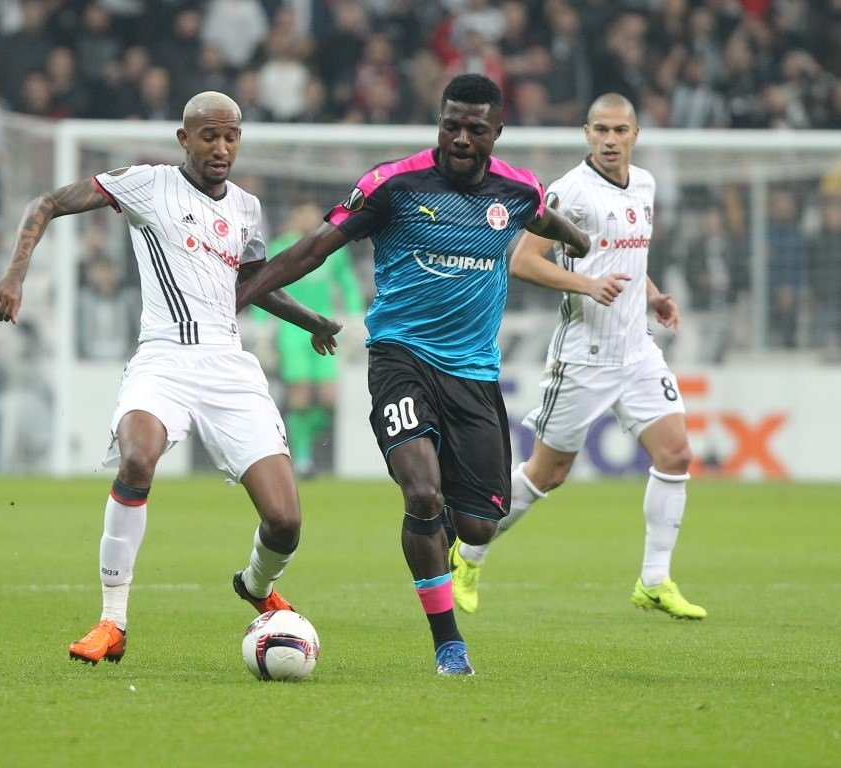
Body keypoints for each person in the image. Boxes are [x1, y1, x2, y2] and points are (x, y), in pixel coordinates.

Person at [235, 74, 590, 675]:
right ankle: (448, 643)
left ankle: (439, 532)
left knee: (480, 522)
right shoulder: (392, 184)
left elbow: (545, 219)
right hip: (401, 359)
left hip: (474, 374)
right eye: (450, 124)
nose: (460, 137)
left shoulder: (518, 191)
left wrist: (578, 238)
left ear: (495, 133)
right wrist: (241, 294)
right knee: (422, 492)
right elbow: (313, 247)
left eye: (474, 129)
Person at [0, 91, 342, 665]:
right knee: (137, 457)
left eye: (230, 137)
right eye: (208, 136)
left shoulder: (248, 208)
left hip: (228, 365)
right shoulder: (147, 184)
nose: (221, 147)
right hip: (163, 359)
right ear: (185, 139)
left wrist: (310, 319)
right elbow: (46, 201)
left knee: (285, 520)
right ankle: (112, 621)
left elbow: (249, 283)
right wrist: (14, 275)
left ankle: (254, 584)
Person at [448, 92, 707, 621]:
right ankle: (468, 554)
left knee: (676, 455)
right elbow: (522, 261)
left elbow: (629, 254)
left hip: (636, 351)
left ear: (635, 135)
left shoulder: (647, 184)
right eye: (601, 131)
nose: (610, 140)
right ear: (587, 134)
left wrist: (652, 294)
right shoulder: (571, 192)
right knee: (548, 473)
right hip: (583, 358)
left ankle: (654, 581)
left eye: (620, 131)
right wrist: (586, 285)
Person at [251, 201, 366, 477]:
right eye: (303, 211)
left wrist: (354, 319)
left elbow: (348, 284)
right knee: (299, 398)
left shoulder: (333, 250)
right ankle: (302, 459)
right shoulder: (280, 247)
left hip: (325, 329)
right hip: (292, 332)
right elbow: (261, 286)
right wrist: (262, 330)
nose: (309, 217)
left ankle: (300, 446)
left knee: (328, 400)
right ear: (294, 216)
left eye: (313, 212)